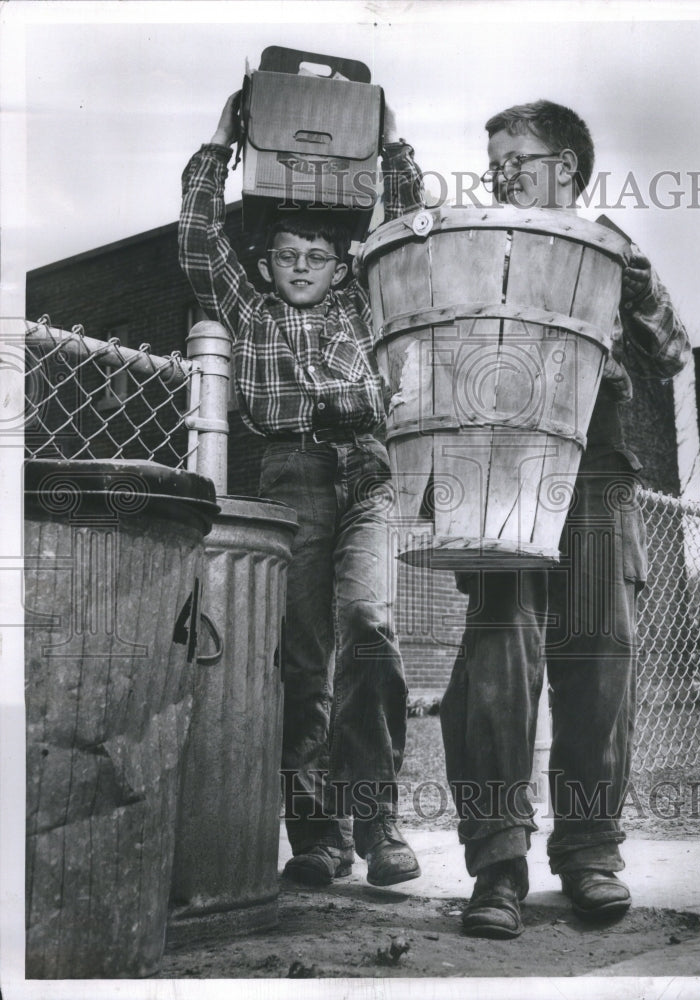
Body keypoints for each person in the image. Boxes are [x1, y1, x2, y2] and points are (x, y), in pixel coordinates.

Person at [438, 99, 691, 937]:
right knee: (498, 660)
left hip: (598, 470)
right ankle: (497, 865)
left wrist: (636, 274)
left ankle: (589, 854)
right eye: (495, 159)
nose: (501, 172)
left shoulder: (610, 247)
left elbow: (674, 350)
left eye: (518, 156)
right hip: (504, 471)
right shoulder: (478, 249)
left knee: (598, 663)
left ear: (567, 169)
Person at [178, 92, 425, 888]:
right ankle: (318, 837)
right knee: (303, 660)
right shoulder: (248, 307)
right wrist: (221, 141)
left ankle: (380, 820)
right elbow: (196, 236)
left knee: (369, 624)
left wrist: (392, 145)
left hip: (365, 472)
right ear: (267, 261)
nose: (302, 269)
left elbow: (406, 229)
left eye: (318, 256)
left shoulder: (364, 298)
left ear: (340, 263)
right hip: (291, 475)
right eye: (288, 256)